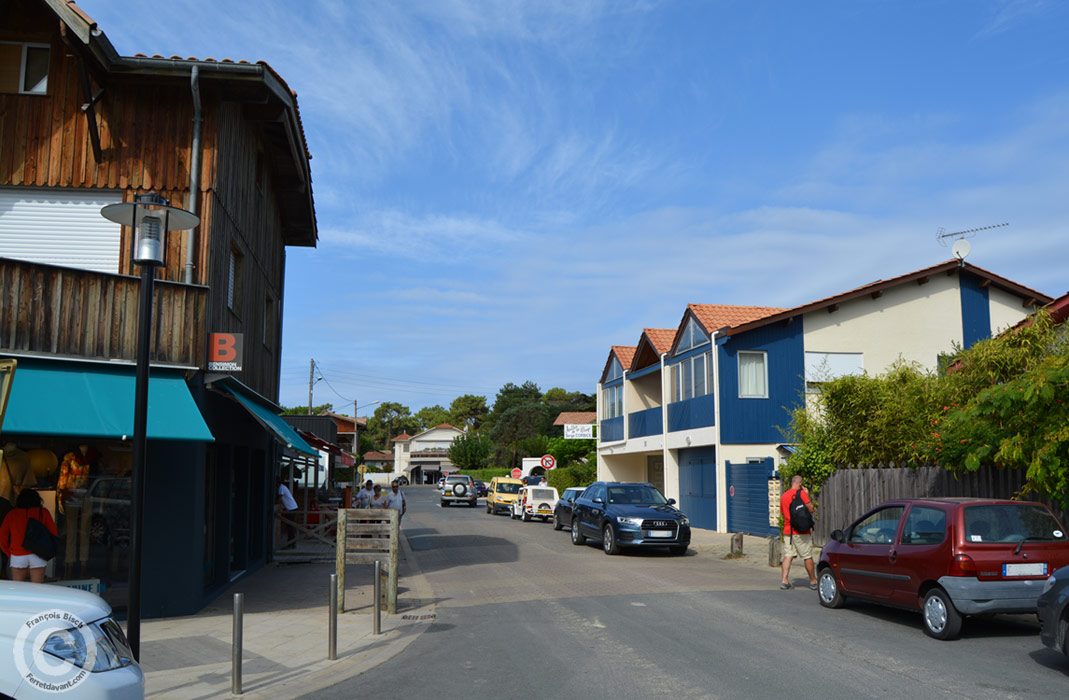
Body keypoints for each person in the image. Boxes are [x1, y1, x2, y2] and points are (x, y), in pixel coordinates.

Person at [0, 489, 58, 583]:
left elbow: (2, 535)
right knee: (37, 588)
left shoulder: (12, 514)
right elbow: (53, 533)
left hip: (17, 554)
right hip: (38, 553)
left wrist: (8, 552)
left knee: (19, 588)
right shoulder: (43, 512)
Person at [780, 474, 818, 590]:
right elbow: (811, 509)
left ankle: (784, 580)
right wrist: (806, 495)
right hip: (802, 532)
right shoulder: (801, 494)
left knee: (788, 555)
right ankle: (813, 581)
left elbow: (783, 513)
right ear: (800, 483)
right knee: (807, 556)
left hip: (788, 530)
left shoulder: (784, 496)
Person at [277, 477, 299, 545]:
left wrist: (278, 505)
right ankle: (291, 542)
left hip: (291, 508)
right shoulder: (283, 487)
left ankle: (291, 542)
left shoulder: (281, 488)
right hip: (291, 507)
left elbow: (280, 499)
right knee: (289, 526)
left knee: (290, 526)